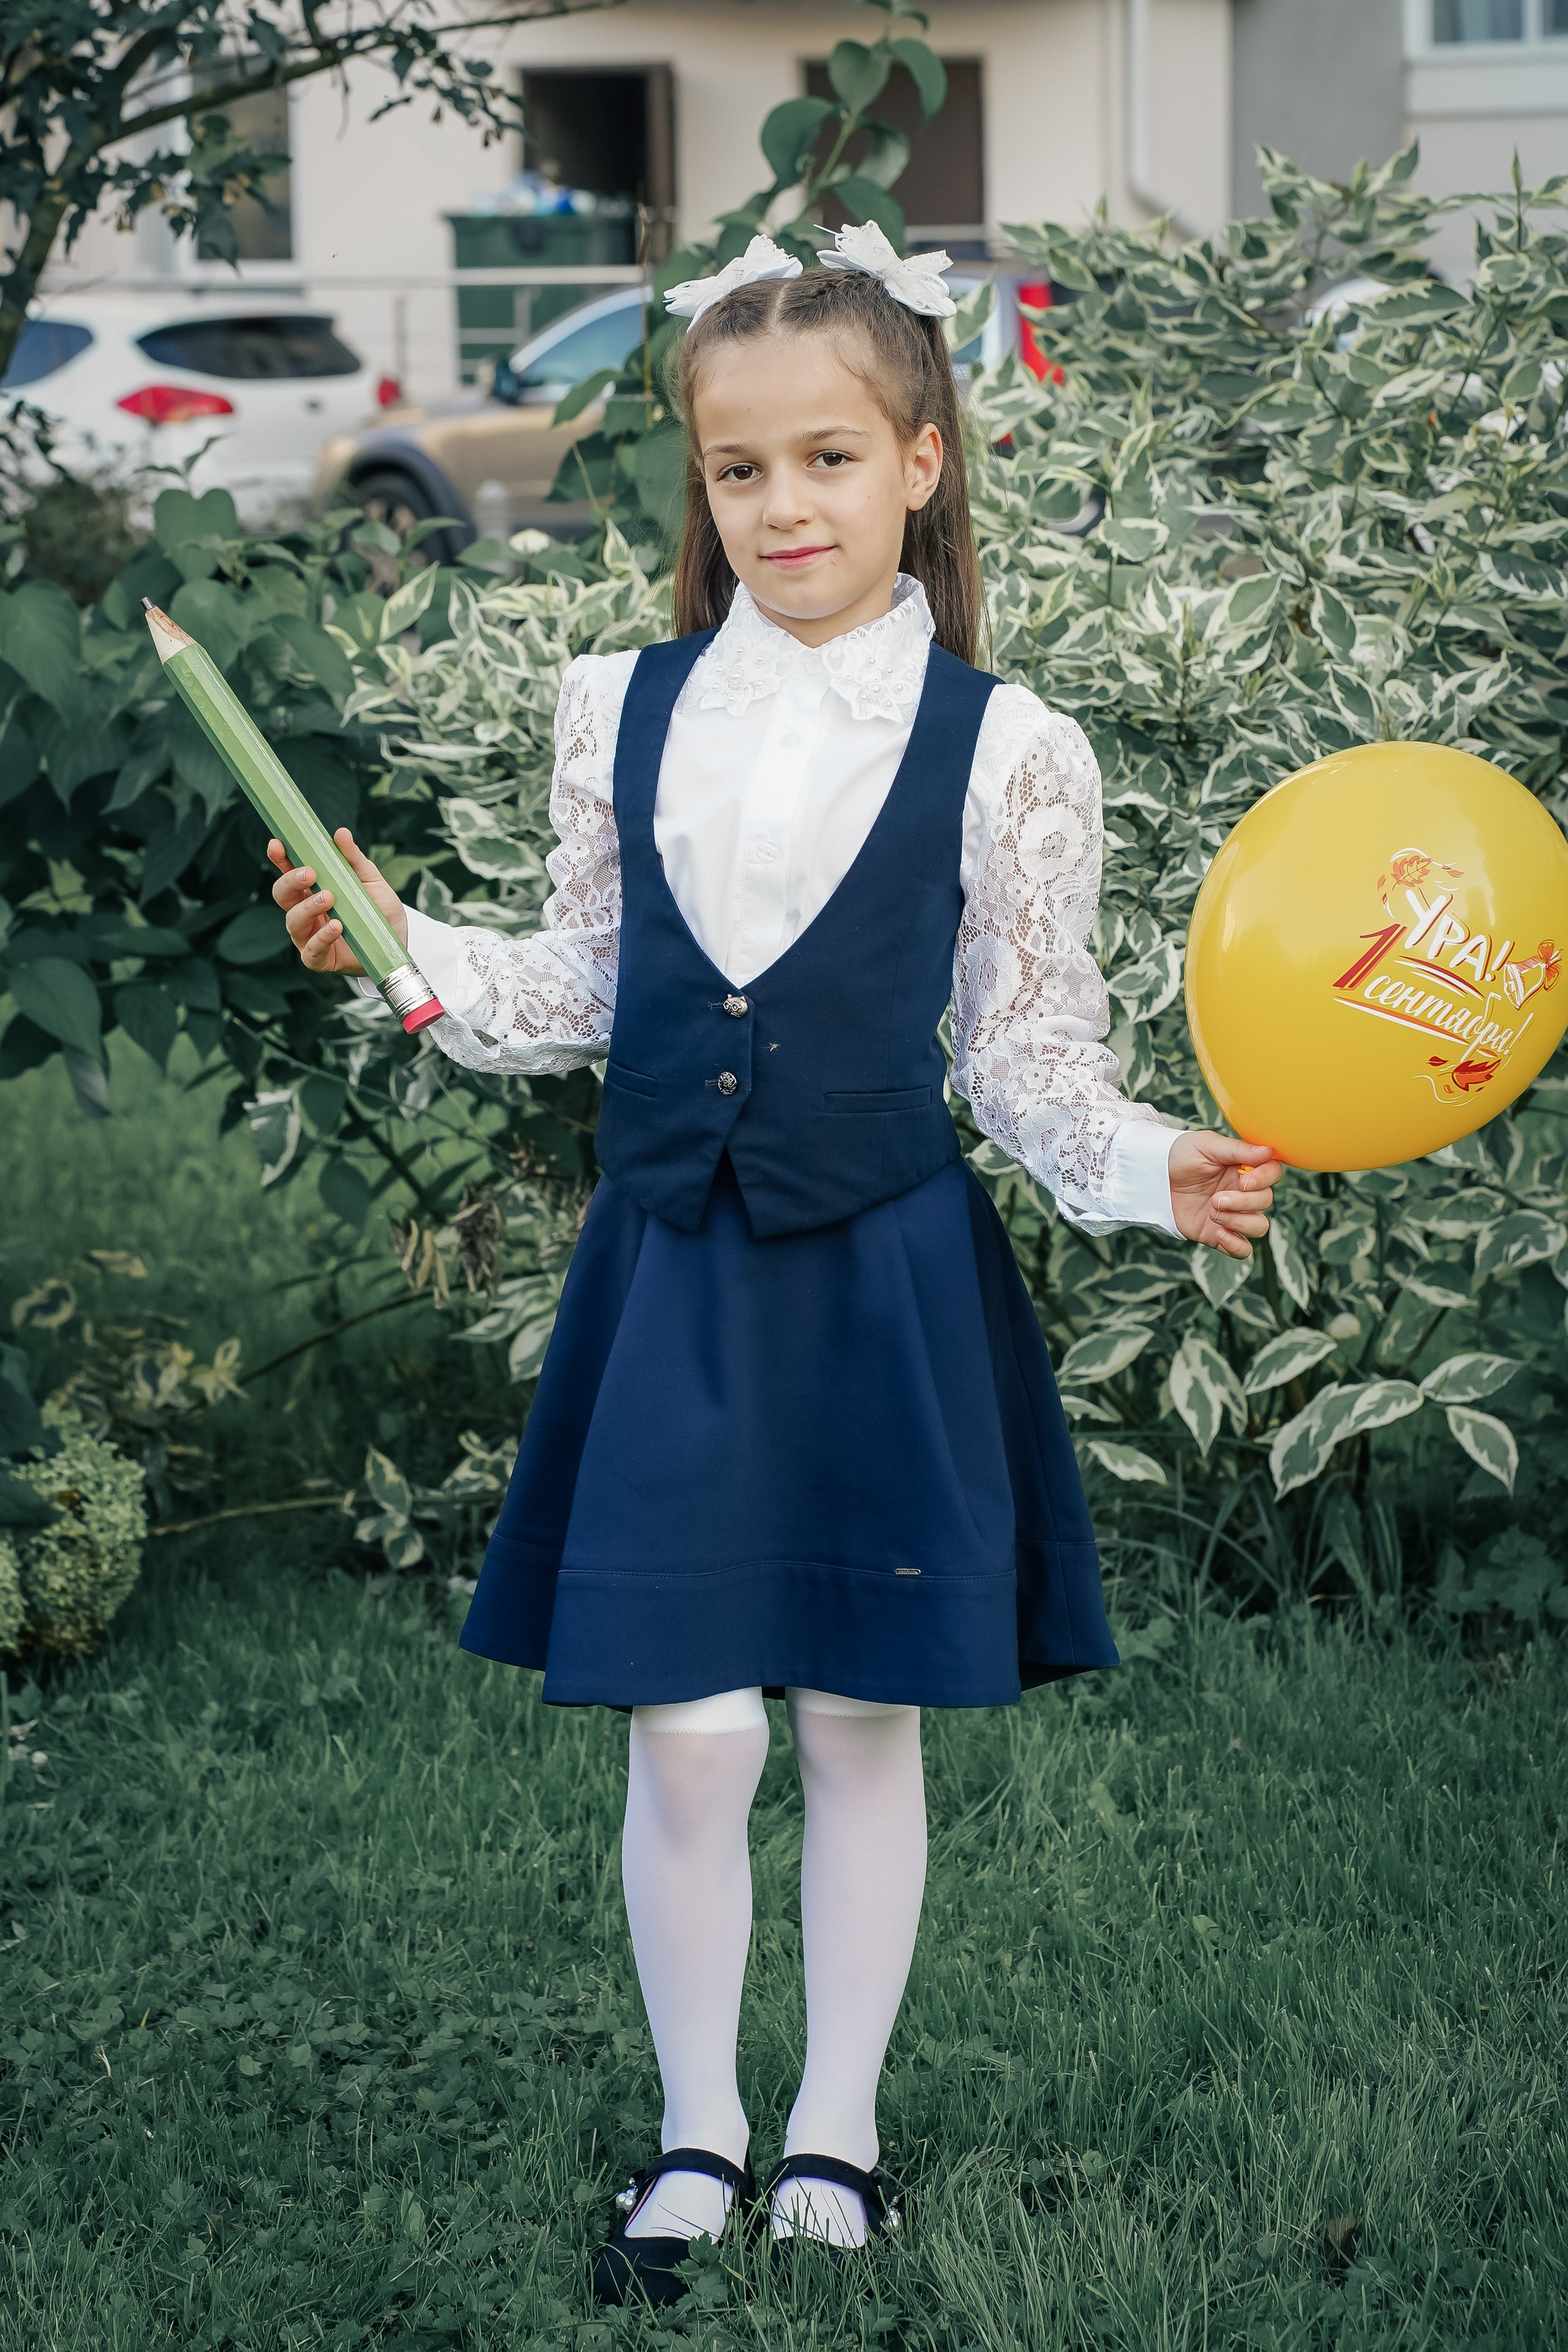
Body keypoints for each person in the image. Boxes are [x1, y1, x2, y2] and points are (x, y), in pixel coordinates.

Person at [270, 225, 1281, 2307]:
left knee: (854, 1719)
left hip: (878, 1282)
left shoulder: (1011, 751)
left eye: (829, 459)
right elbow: (579, 977)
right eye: (742, 474)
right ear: (702, 491)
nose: (784, 508)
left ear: (921, 460)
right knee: (695, 1730)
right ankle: (694, 2128)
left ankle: (837, 2131)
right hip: (679, 1283)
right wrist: (407, 959)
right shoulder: (616, 710)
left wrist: (1143, 1164)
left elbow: (1019, 1050)